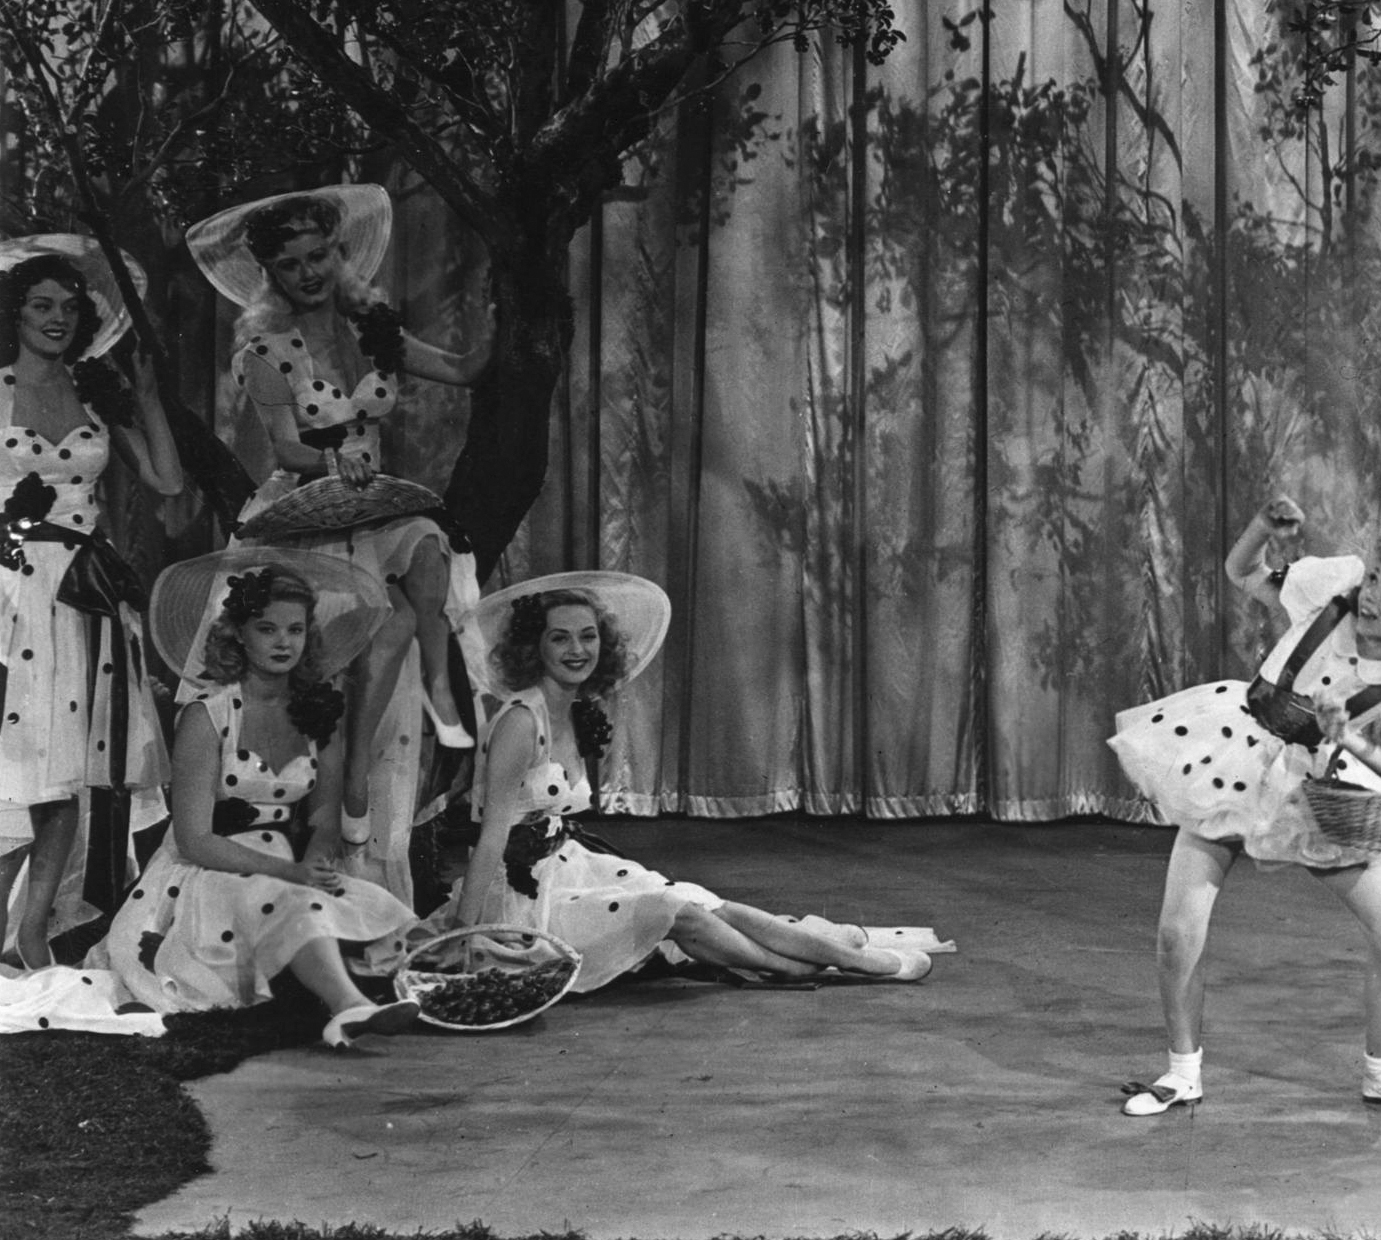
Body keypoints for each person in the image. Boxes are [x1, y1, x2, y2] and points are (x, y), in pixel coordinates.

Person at [1109, 500, 1381, 1118]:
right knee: (1178, 931)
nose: (1372, 593)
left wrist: (1354, 740)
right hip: (1232, 759)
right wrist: (1263, 528)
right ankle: (1181, 1073)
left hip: (1309, 788)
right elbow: (1242, 572)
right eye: (1374, 577)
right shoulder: (1330, 597)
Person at [186, 185, 490, 891]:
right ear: (271, 274)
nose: (309, 272)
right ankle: (341, 794)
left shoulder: (371, 330)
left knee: (428, 545)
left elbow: (463, 370)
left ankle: (438, 690)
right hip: (307, 512)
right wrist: (333, 461)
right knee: (358, 642)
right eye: (290, 264)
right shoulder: (267, 350)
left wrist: (507, 308)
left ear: (339, 253)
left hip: (371, 509)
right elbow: (285, 447)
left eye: (318, 255)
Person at [446, 572, 947, 987]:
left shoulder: (573, 710)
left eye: (588, 635)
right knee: (675, 910)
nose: (577, 649)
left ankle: (853, 960)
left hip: (570, 867)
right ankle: (811, 966)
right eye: (560, 637)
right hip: (522, 902)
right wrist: (463, 935)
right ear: (534, 647)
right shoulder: (520, 722)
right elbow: (490, 839)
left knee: (702, 901)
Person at [96, 554, 424, 1046]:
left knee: (349, 904)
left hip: (287, 862)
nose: (283, 642)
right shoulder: (207, 715)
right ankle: (349, 1007)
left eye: (295, 630)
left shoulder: (317, 710)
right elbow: (194, 839)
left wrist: (315, 865)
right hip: (207, 870)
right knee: (283, 898)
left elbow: (324, 816)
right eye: (267, 629)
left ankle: (348, 1003)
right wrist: (291, 873)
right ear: (239, 636)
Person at [0, 236, 184, 969]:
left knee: (70, 766)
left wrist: (146, 399)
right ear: (14, 314)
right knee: (13, 766)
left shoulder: (95, 396)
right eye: (41, 306)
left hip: (83, 594)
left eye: (70, 309)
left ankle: (32, 933)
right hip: (10, 589)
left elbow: (168, 480)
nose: (57, 319)